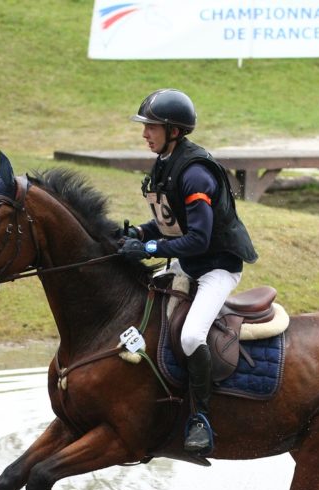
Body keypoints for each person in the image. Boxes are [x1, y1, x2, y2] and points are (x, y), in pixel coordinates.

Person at [119, 88, 258, 456]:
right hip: (187, 263)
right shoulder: (166, 162)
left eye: (151, 127)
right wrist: (138, 233)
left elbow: (198, 238)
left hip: (216, 269)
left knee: (191, 336)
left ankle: (200, 419)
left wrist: (148, 248)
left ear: (174, 131)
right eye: (145, 126)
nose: (145, 133)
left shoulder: (196, 173)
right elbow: (168, 222)